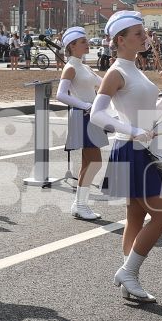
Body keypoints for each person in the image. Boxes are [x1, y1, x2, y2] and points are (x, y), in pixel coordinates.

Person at [91, 10, 162, 303]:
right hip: (130, 150)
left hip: (142, 148)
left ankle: (130, 277)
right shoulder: (116, 72)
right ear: (121, 39)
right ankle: (128, 273)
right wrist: (133, 131)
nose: (146, 37)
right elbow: (97, 114)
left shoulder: (134, 67)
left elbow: (148, 112)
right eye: (139, 34)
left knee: (136, 214)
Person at [53, 26, 108, 223]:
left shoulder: (84, 66)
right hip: (82, 115)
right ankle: (80, 205)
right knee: (94, 162)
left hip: (91, 115)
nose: (87, 43)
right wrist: (86, 105)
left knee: (89, 162)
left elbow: (103, 84)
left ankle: (80, 204)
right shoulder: (70, 67)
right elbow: (60, 95)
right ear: (72, 46)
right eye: (83, 41)